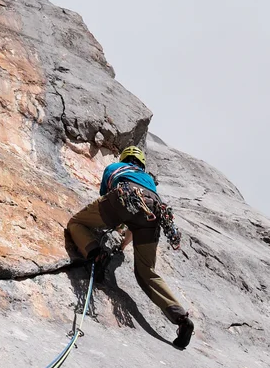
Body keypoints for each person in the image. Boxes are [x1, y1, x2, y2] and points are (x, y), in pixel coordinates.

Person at [66, 145, 194, 350]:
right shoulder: (149, 180)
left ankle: (96, 255)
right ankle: (181, 319)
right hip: (152, 210)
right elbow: (138, 218)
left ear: (124, 158)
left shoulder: (115, 167)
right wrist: (124, 244)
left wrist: (116, 233)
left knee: (76, 223)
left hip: (122, 198)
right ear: (141, 163)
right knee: (146, 273)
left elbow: (107, 200)